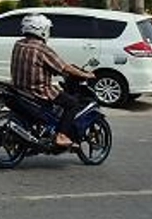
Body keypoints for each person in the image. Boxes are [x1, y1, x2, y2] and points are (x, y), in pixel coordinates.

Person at [10, 14, 95, 147]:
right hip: (39, 91)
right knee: (72, 104)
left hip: (19, 89)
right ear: (42, 30)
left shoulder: (18, 44)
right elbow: (64, 67)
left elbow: (39, 65)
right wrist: (85, 75)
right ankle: (61, 136)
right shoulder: (42, 49)